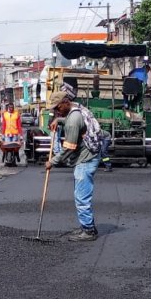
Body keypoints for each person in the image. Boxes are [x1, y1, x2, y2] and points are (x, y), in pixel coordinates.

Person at [45, 89, 100, 242]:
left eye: (57, 108)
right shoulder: (76, 110)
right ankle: (86, 225)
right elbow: (69, 120)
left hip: (86, 159)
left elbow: (69, 147)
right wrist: (59, 120)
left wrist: (53, 162)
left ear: (65, 102)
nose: (56, 111)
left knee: (81, 196)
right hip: (88, 156)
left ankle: (89, 231)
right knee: (80, 194)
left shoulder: (73, 120)